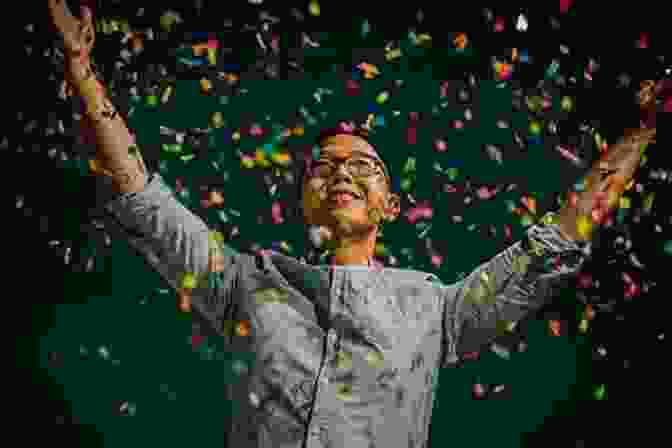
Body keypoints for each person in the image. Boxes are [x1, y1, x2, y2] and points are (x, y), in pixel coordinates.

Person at [48, 2, 656, 447]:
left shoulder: (436, 310)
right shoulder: (242, 283)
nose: (341, 173)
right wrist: (80, 68)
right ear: (305, 200)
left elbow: (546, 249)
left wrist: (643, 135)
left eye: (362, 164)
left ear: (391, 205)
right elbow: (143, 200)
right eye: (324, 167)